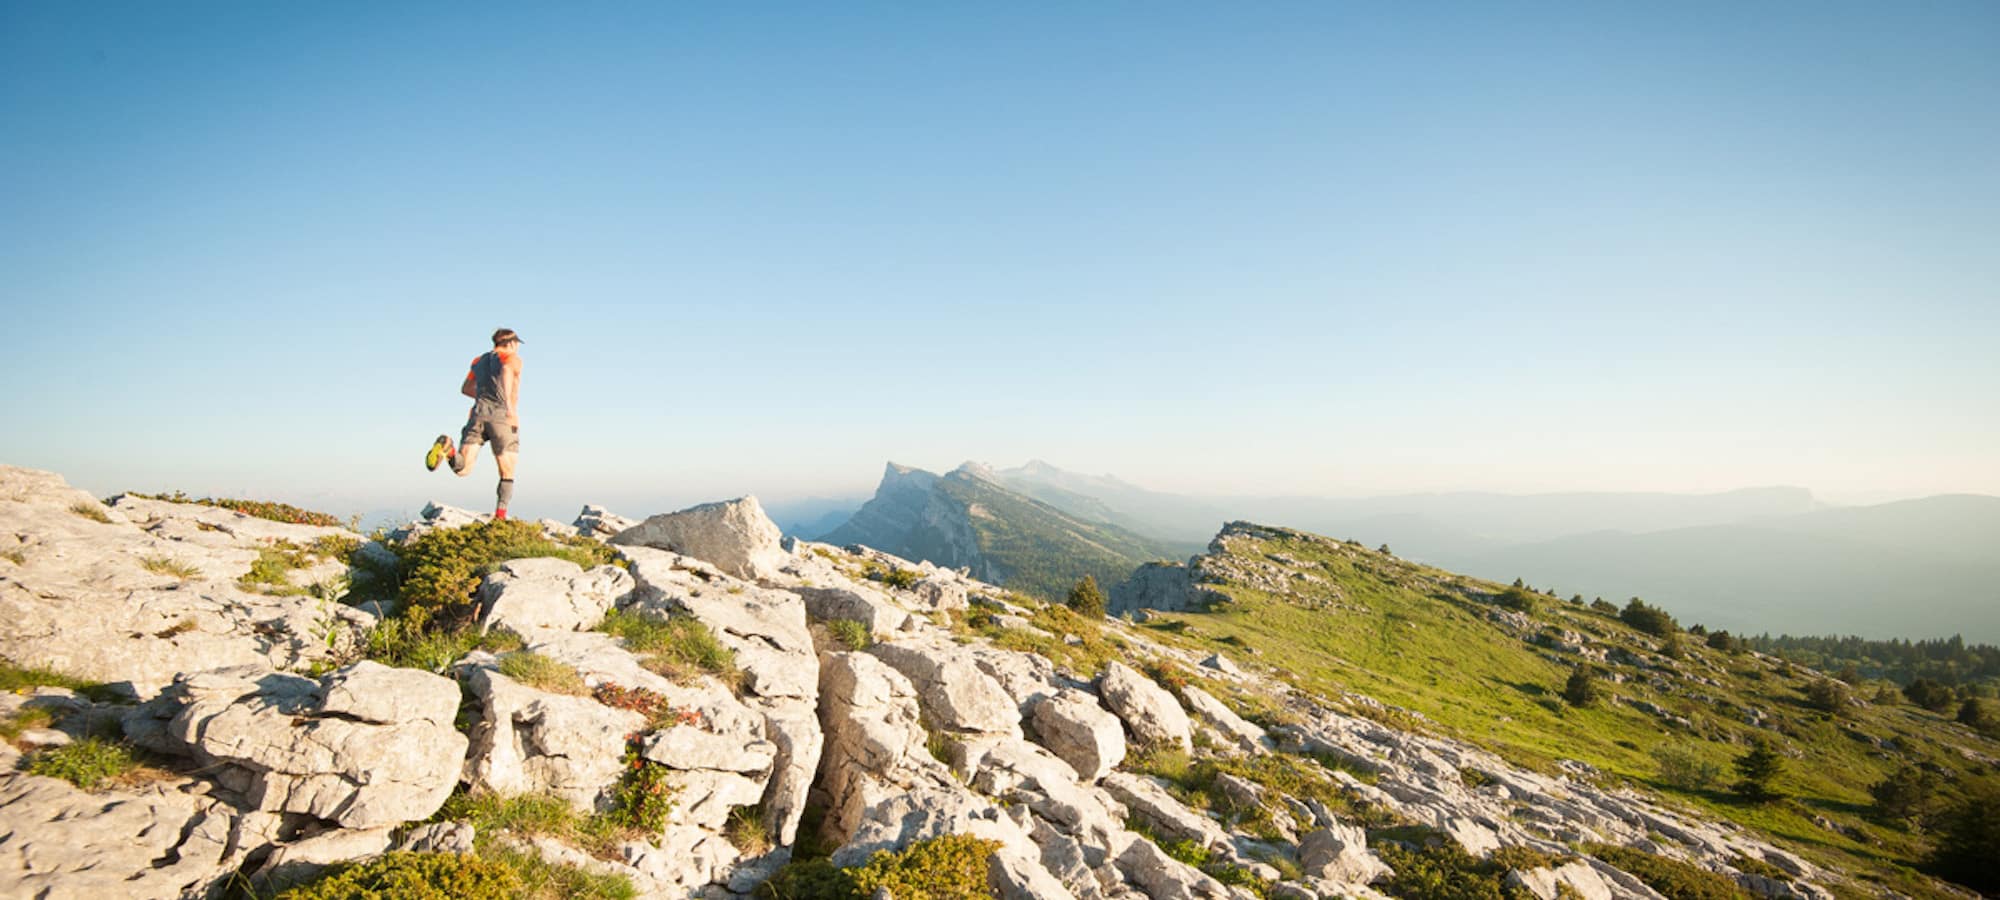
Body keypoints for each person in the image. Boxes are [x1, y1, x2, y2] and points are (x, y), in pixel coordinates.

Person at [425, 328, 523, 519]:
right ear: (511, 343)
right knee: (507, 470)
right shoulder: (511, 358)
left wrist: (484, 396)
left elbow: (466, 388)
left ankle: (449, 449)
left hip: (477, 415)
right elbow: (506, 371)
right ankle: (500, 517)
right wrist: (509, 406)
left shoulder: (478, 361)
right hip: (502, 417)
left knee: (462, 469)